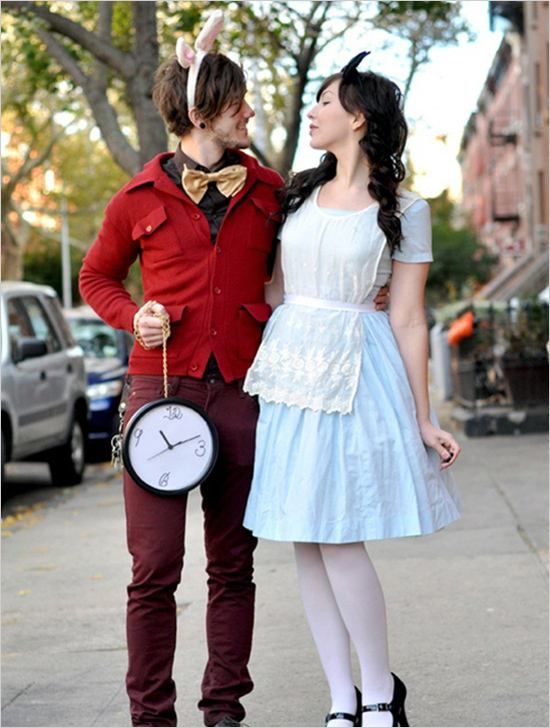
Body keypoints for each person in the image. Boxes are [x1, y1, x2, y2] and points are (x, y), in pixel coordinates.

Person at [79, 11, 390, 727]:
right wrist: (135, 317)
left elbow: (327, 240)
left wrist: (377, 279)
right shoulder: (136, 198)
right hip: (159, 395)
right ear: (202, 113)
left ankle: (224, 710)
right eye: (239, 101)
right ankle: (151, 717)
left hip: (249, 396)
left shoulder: (272, 191)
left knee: (234, 567)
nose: (251, 110)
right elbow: (97, 278)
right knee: (153, 571)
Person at [242, 52, 462, 728]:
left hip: (358, 372)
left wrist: (424, 419)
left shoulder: (405, 209)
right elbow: (275, 288)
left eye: (325, 101)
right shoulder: (295, 193)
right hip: (290, 373)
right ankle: (340, 700)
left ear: (358, 116)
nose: (311, 111)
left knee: (338, 534)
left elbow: (406, 317)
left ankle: (376, 694)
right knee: (304, 536)